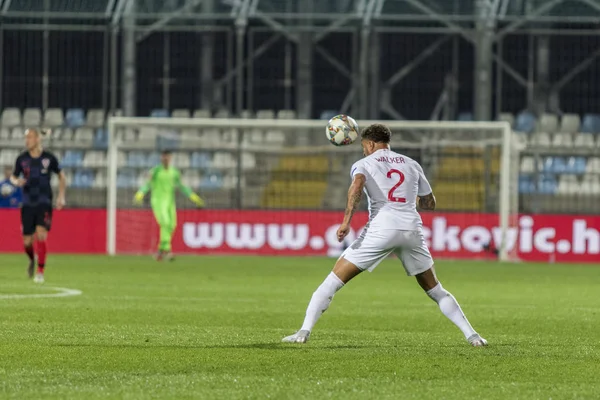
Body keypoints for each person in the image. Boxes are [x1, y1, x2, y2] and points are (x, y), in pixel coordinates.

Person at [282, 124, 487, 347]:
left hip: (381, 230)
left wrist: (346, 221)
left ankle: (303, 332)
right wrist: (408, 199)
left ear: (370, 144)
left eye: (363, 146)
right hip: (411, 230)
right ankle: (473, 336)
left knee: (331, 283)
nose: (363, 151)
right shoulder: (411, 164)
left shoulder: (364, 164)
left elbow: (357, 185)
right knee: (436, 289)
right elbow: (430, 203)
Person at [11, 129, 67, 283]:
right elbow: (14, 176)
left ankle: (40, 271)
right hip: (28, 202)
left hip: (44, 201)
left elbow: (61, 175)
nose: (26, 140)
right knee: (27, 242)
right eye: (25, 138)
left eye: (29, 137)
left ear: (37, 139)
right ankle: (31, 259)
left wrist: (61, 197)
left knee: (41, 234)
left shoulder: (49, 158)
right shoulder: (22, 159)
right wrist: (16, 182)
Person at [134, 150, 205, 260]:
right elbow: (148, 184)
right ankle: (167, 250)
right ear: (161, 158)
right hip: (158, 201)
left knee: (172, 225)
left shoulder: (174, 172)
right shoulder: (156, 171)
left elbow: (182, 186)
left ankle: (160, 251)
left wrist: (193, 197)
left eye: (168, 157)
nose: (166, 159)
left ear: (171, 158)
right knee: (165, 223)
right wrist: (141, 192)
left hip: (170, 202)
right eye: (164, 157)